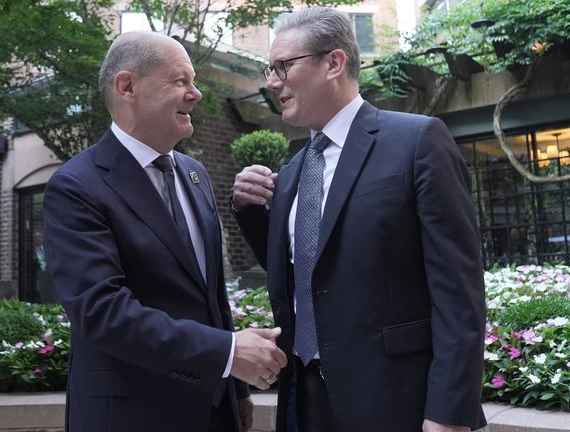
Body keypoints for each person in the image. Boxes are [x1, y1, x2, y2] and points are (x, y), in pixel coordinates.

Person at [232, 8, 486, 432]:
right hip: (305, 402)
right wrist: (250, 211)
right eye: (268, 69)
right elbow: (303, 273)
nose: (271, 82)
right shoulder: (292, 169)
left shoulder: (418, 140)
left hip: (395, 401)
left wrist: (448, 413)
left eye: (282, 66)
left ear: (334, 63)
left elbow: (460, 292)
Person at [43, 31, 287, 432]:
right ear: (127, 86)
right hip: (131, 417)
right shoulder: (76, 187)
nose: (196, 94)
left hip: (214, 411)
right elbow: (102, 312)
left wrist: (236, 391)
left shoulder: (195, 174)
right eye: (180, 81)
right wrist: (226, 353)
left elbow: (211, 297)